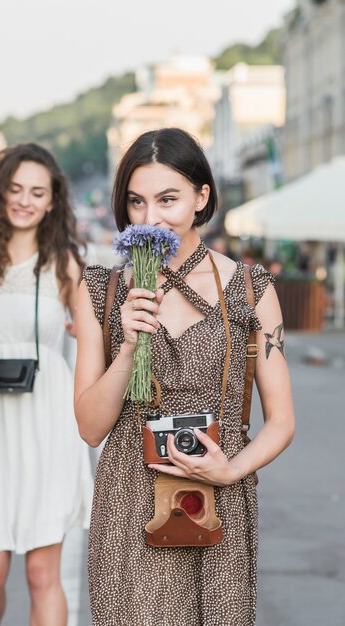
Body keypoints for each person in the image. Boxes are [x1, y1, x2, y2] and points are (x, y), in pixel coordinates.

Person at [74, 128, 295, 625]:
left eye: (167, 199)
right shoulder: (101, 289)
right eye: (136, 202)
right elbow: (89, 427)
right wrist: (129, 346)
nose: (151, 218)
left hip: (219, 494)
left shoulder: (250, 288)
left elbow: (281, 421)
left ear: (202, 197)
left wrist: (230, 471)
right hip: (130, 494)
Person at [0, 143, 93, 625]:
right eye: (15, 189)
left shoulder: (66, 266)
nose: (25, 201)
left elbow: (98, 343)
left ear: (52, 201)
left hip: (48, 423)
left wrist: (87, 330)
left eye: (37, 192)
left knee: (40, 575)